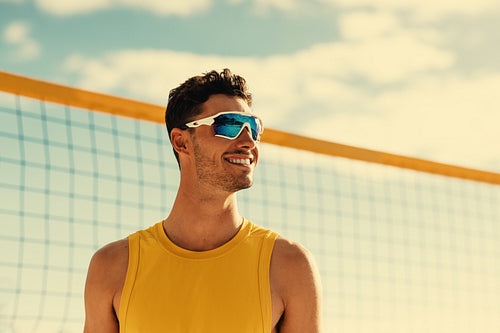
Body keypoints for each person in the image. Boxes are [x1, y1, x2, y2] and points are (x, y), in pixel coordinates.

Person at [83, 69, 322, 332]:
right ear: (181, 141)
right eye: (228, 124)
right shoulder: (112, 266)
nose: (248, 141)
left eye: (253, 127)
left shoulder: (290, 265)